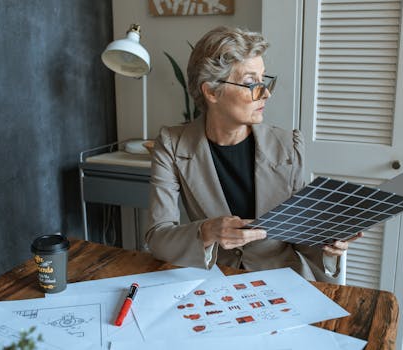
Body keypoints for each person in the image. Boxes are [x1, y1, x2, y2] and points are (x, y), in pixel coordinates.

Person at [145, 26, 362, 283]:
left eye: (264, 79)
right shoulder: (171, 144)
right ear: (212, 91)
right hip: (213, 280)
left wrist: (328, 245)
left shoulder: (288, 145)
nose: (266, 93)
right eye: (251, 83)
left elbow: (303, 239)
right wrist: (207, 232)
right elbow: (157, 238)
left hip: (281, 281)